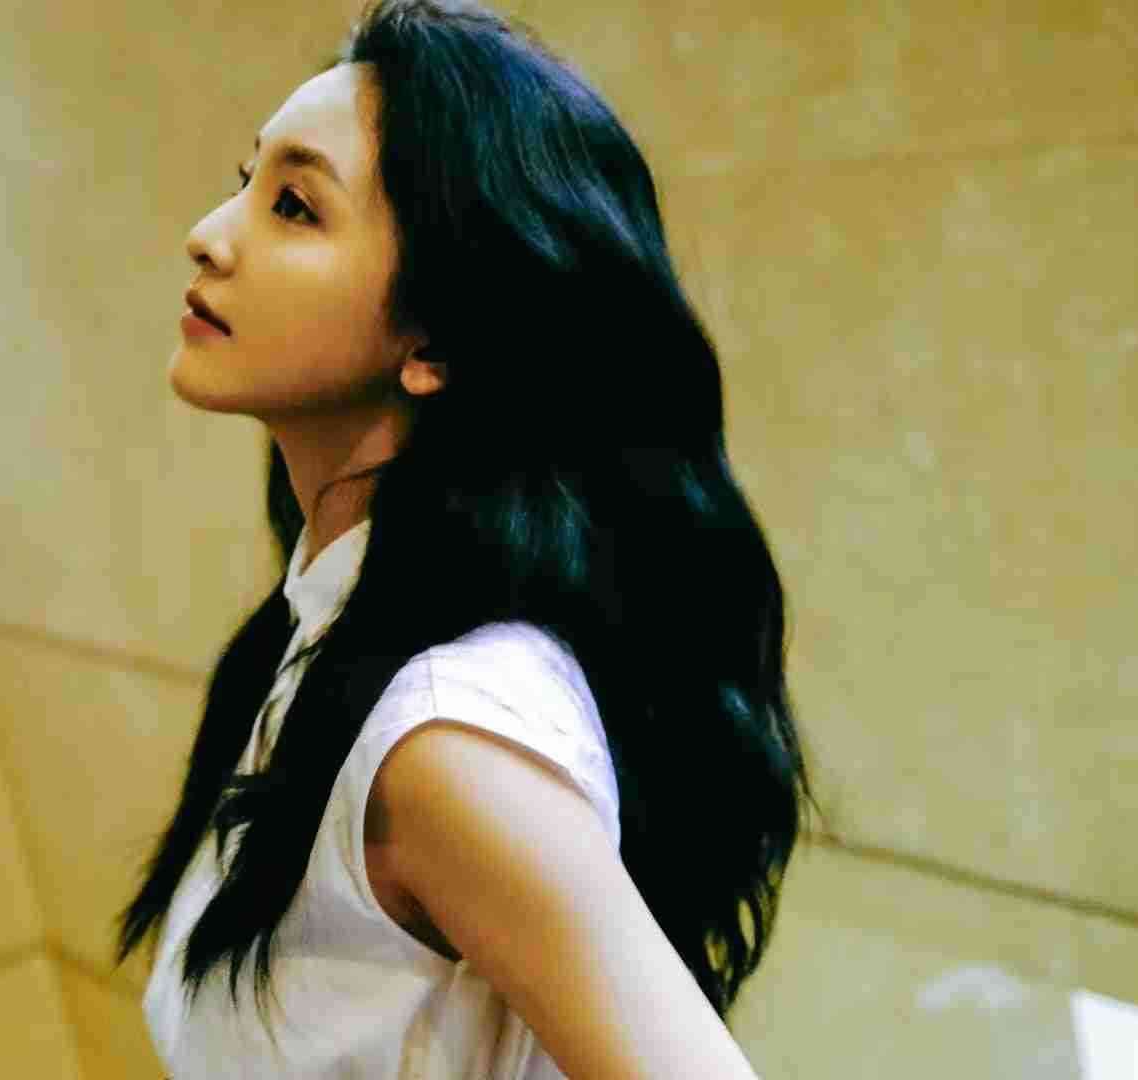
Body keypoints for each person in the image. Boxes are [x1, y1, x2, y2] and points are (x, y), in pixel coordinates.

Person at [115, 1, 823, 1075]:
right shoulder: (329, 630)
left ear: (437, 340)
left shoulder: (444, 744)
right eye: (246, 180)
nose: (210, 233)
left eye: (295, 205)